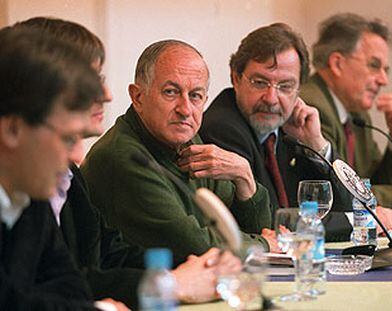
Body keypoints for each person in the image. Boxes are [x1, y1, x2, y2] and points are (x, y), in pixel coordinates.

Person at [17, 17, 242, 310]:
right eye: (89, 81)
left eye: (196, 95)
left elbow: (107, 254)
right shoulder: (117, 156)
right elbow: (39, 289)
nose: (107, 95)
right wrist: (171, 285)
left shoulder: (67, 172)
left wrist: (189, 271)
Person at [81, 40, 280, 267]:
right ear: (138, 97)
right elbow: (193, 246)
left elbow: (253, 228)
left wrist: (244, 176)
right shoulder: (123, 157)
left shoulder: (184, 138)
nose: (185, 109)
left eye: (195, 95)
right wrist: (262, 245)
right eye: (171, 92)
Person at [200, 23, 353, 241]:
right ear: (236, 78)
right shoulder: (222, 128)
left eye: (285, 86)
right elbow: (271, 222)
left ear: (299, 89)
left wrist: (316, 143)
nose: (271, 98)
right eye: (260, 82)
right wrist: (353, 221)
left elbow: (345, 202)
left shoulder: (289, 129)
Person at [0, 27, 103, 309]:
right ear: (12, 129)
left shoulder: (30, 194)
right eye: (68, 138)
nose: (78, 156)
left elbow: (71, 288)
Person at [300, 13, 392, 225]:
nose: (383, 80)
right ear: (337, 63)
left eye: (385, 70)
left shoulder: (357, 114)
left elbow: (371, 185)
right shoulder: (312, 107)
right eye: (374, 65)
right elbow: (350, 193)